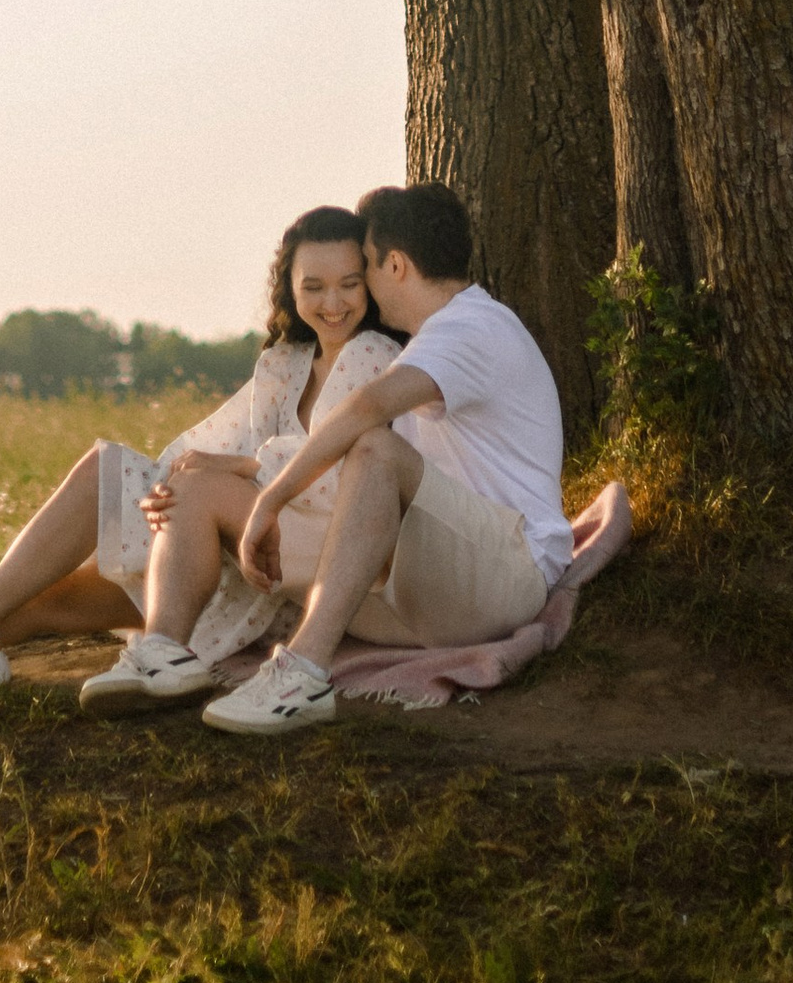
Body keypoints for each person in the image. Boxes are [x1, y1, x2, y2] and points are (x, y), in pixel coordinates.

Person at [0, 207, 402, 712]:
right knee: (65, 564)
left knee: (58, 596)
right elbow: (205, 444)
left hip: (287, 563)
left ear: (369, 286)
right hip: (220, 543)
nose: (333, 302)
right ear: (289, 289)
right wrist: (166, 490)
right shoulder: (283, 365)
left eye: (349, 284)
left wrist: (223, 473)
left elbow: (322, 470)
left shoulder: (376, 356)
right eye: (314, 286)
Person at [194, 178, 571, 742]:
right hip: (439, 587)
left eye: (364, 267)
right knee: (223, 505)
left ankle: (302, 673)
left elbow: (366, 409)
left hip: (505, 575)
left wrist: (272, 499)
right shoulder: (431, 339)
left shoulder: (472, 327)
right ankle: (165, 651)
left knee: (374, 447)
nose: (362, 288)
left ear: (394, 265)